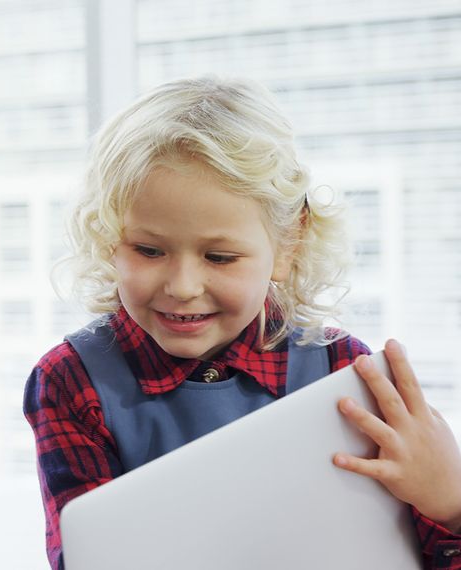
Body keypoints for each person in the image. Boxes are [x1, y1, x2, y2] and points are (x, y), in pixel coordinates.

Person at [24, 76, 461, 570]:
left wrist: (449, 503)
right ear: (108, 238)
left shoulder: (346, 370)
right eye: (148, 250)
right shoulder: (71, 380)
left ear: (288, 245)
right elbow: (84, 559)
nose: (183, 286)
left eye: (220, 257)